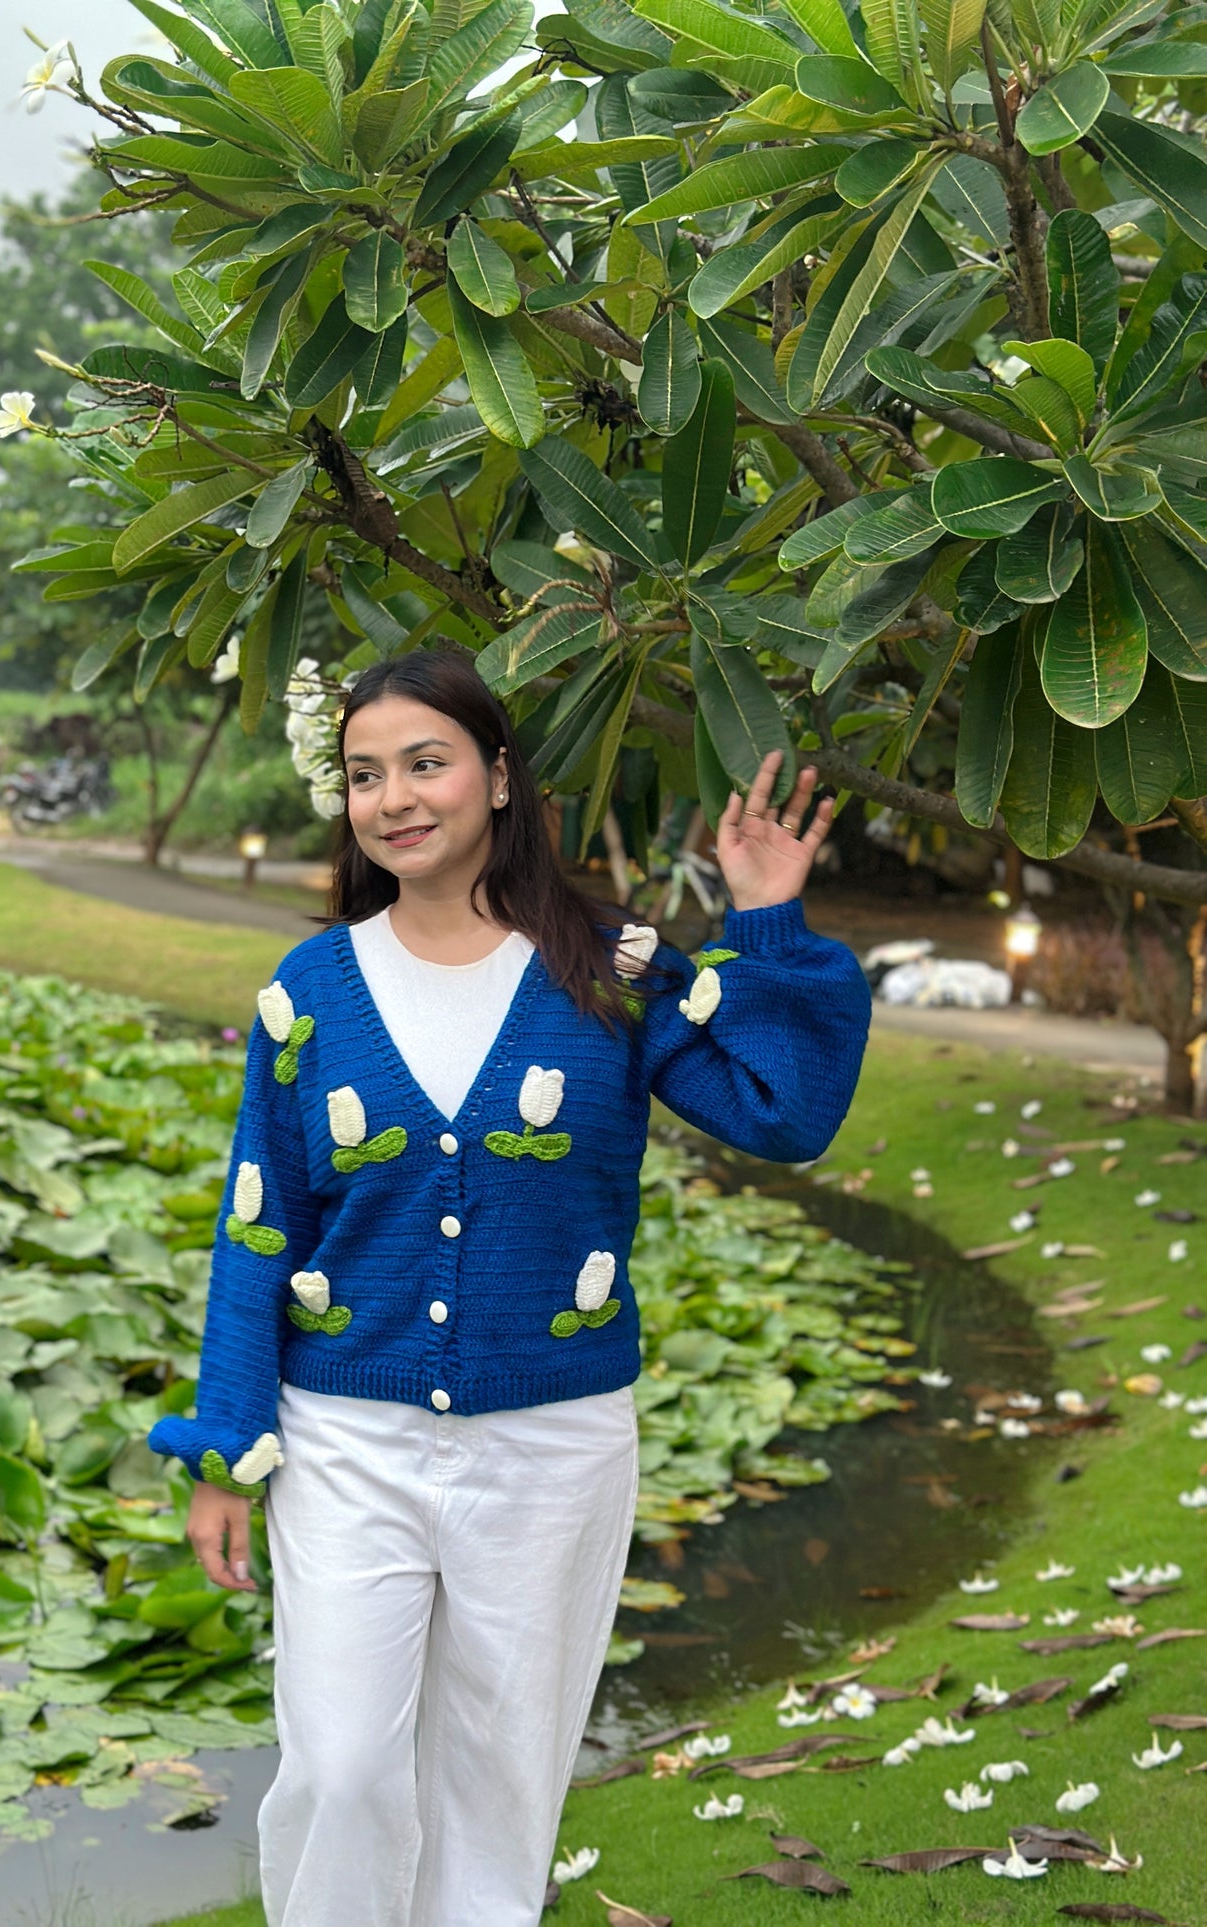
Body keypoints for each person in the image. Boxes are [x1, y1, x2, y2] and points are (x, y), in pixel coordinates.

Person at [148, 646, 871, 1926]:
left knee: (498, 1778)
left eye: (424, 763)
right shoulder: (309, 991)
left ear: (494, 774)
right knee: (342, 1763)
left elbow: (783, 1111)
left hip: (551, 1444)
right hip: (347, 1434)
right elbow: (257, 1225)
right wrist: (225, 1443)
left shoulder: (614, 967)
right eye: (366, 774)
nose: (394, 797)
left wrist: (762, 920)